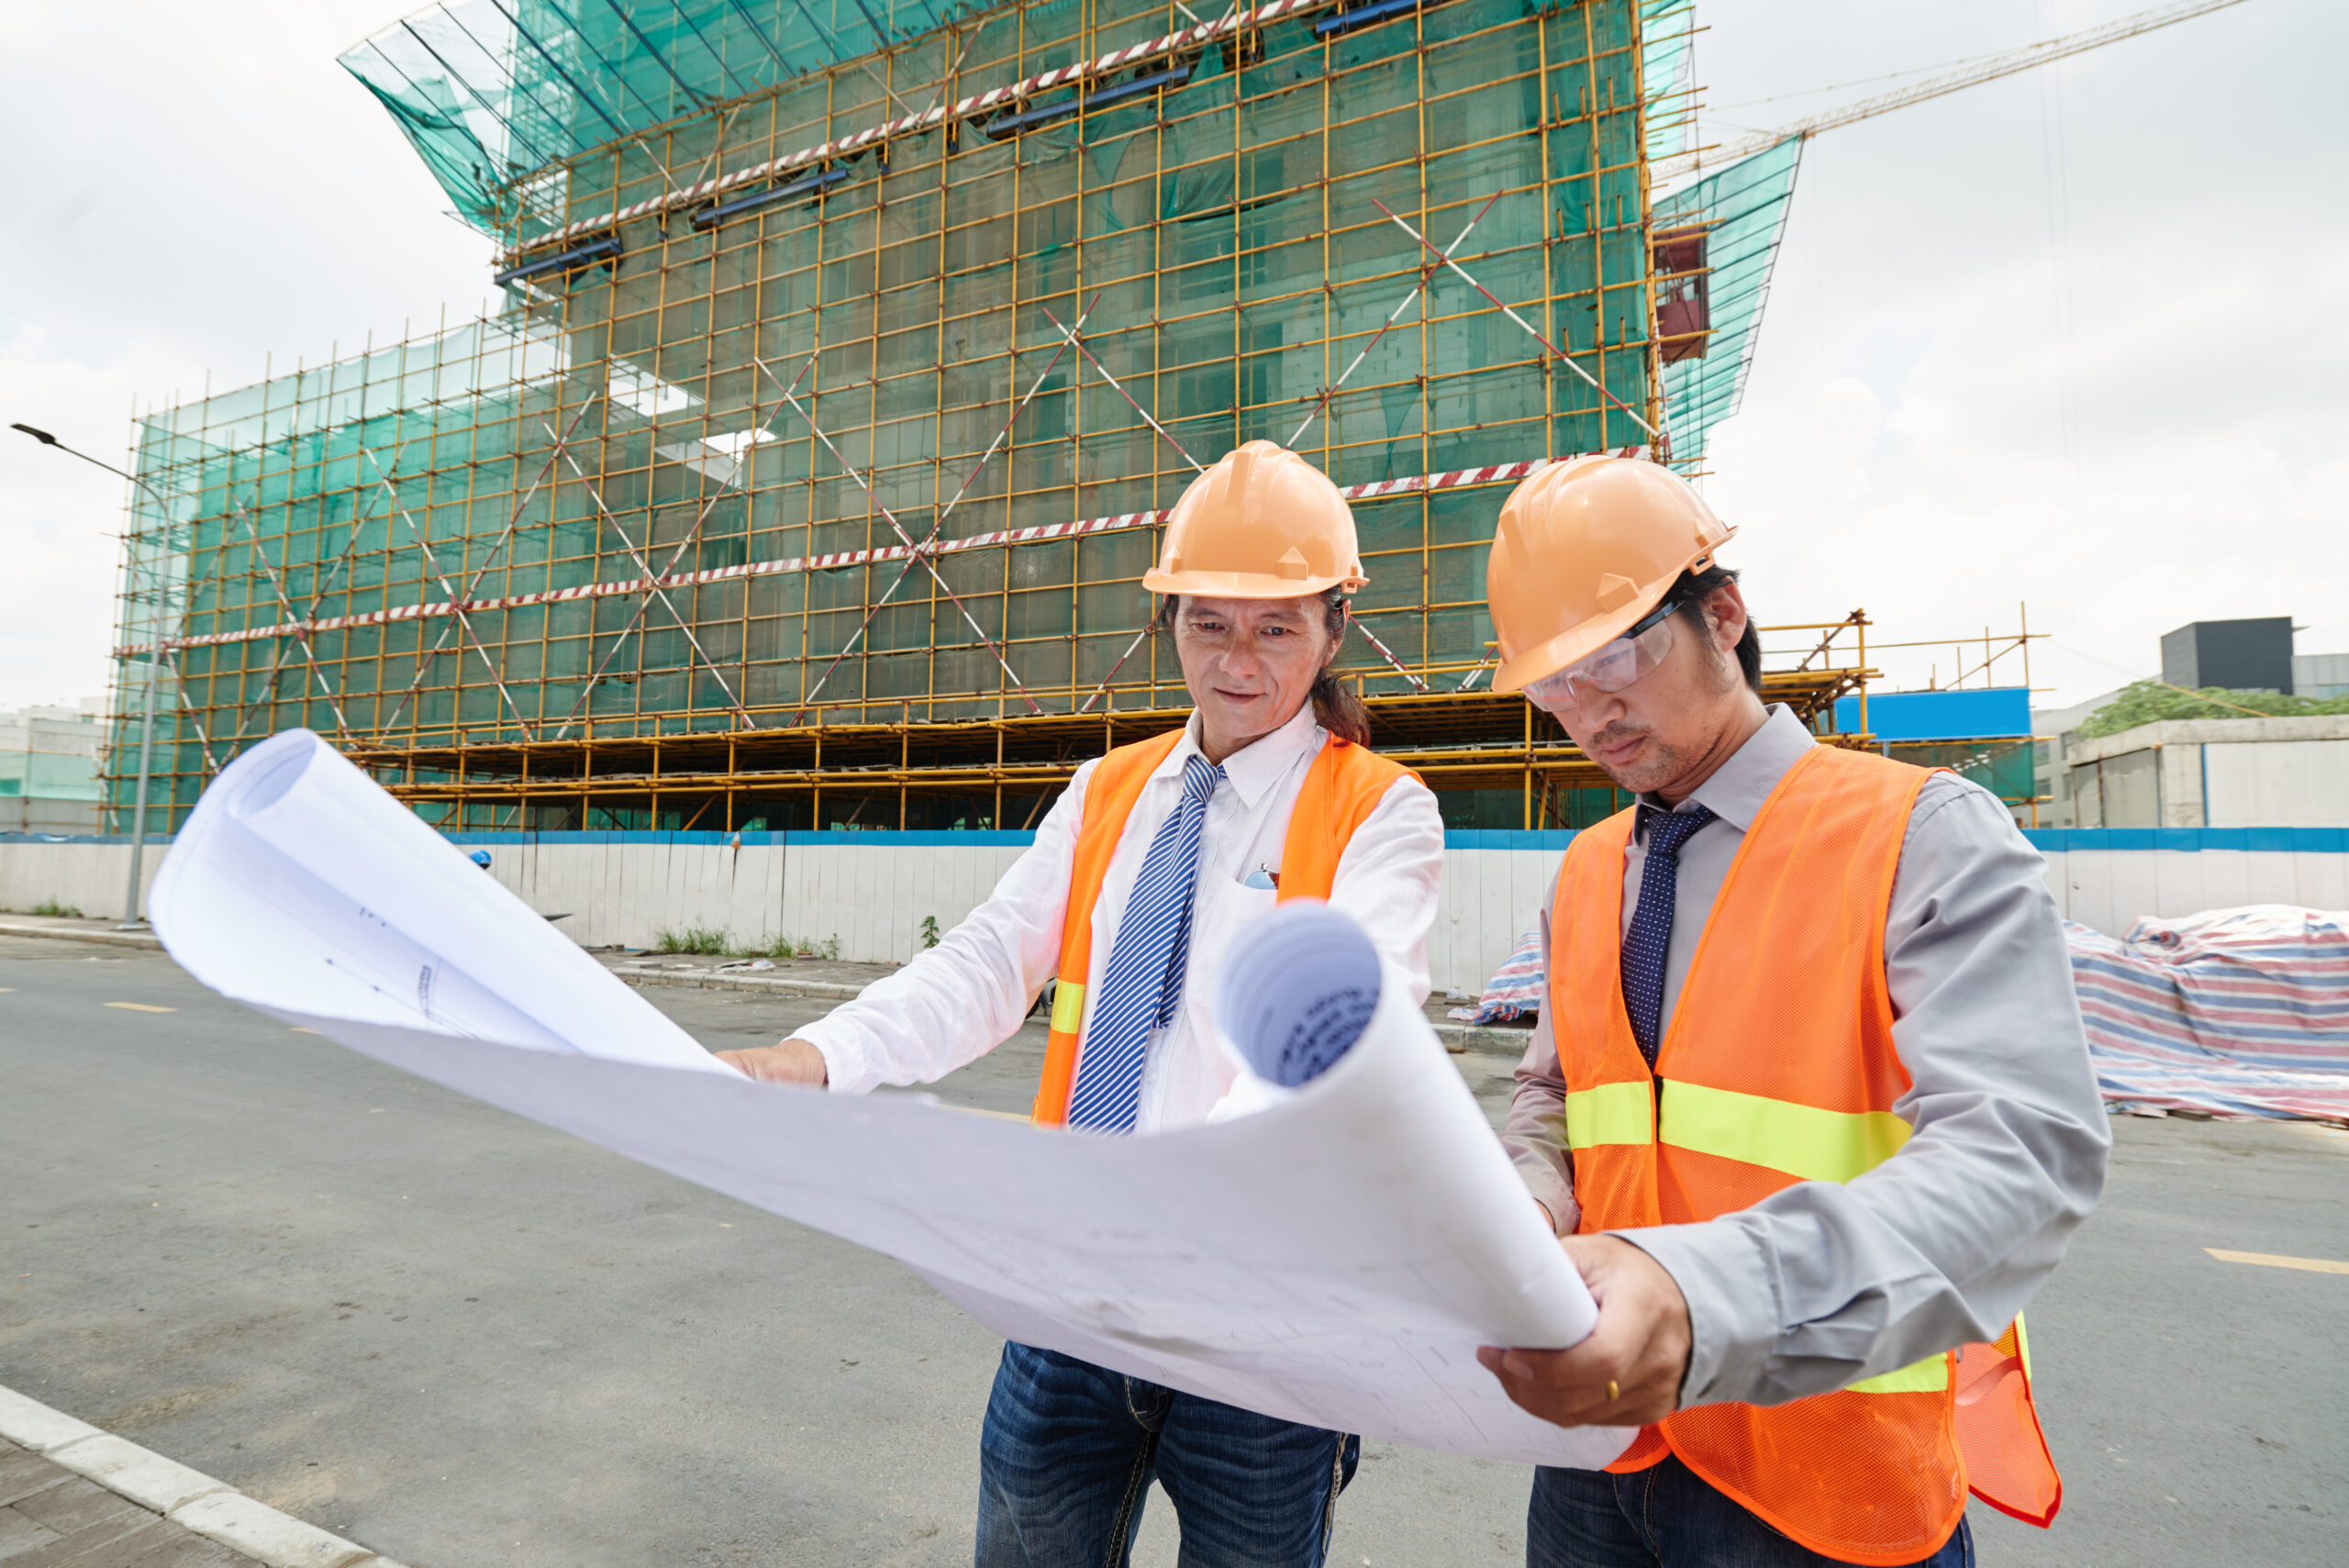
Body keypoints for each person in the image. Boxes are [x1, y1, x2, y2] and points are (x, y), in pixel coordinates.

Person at [717, 440, 1447, 1568]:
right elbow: (986, 962)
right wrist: (816, 1057)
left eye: (1275, 627)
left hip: (1265, 1325)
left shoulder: (1382, 815)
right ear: (1169, 623)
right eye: (1209, 623)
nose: (1237, 660)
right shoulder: (1111, 788)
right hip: (1069, 1303)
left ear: (1333, 627)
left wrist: (1179, 1207)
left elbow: (1336, 1038)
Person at [1474, 454, 2110, 1568]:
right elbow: (1555, 1089)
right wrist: (1531, 1200)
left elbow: (2024, 1154)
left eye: (1615, 652)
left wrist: (1696, 1297)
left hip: (1826, 1470)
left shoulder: (1921, 834)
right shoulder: (1586, 868)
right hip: (1604, 1454)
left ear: (1721, 613)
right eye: (1553, 682)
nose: (1588, 709)